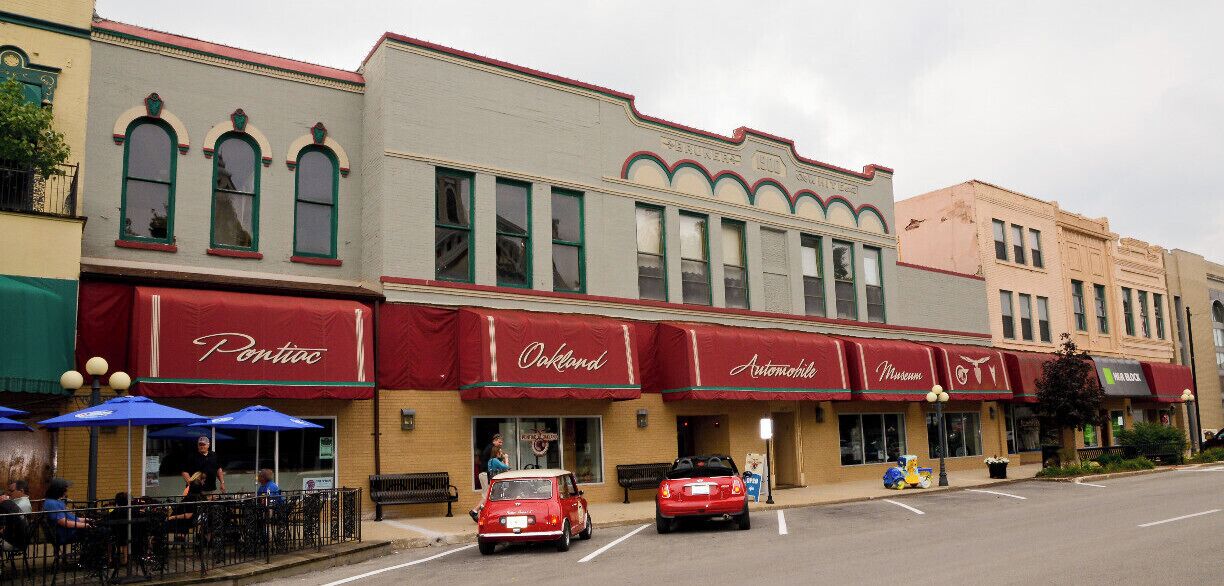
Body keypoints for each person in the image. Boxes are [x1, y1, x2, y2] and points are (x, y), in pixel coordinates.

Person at [468, 447, 512, 522]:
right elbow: (506, 468)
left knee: (490, 497)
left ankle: (479, 510)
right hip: (495, 483)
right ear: (496, 452)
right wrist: (506, 458)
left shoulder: (492, 460)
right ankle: (478, 510)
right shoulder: (494, 460)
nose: (502, 454)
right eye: (500, 452)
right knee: (491, 497)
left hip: (493, 481)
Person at [43, 478, 90, 544]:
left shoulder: (56, 501)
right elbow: (64, 523)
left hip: (70, 530)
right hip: (66, 534)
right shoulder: (53, 504)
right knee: (98, 533)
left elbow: (69, 518)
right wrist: (84, 525)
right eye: (65, 489)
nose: (66, 491)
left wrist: (85, 520)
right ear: (59, 491)